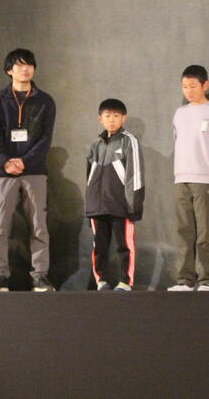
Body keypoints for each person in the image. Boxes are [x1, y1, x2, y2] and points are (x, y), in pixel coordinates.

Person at [0, 49, 56, 292]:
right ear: (9, 70)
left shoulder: (45, 101)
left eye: (29, 65)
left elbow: (45, 138)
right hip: (2, 172)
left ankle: (40, 276)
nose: (25, 69)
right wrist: (6, 161)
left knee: (38, 225)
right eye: (19, 65)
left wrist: (24, 161)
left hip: (34, 170)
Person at [168, 65, 209, 291]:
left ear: (205, 85)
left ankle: (206, 280)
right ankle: (184, 280)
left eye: (193, 86)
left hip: (207, 180)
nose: (188, 91)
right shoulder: (180, 113)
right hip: (181, 178)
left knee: (206, 232)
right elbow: (177, 141)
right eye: (184, 86)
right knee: (183, 231)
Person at [85, 98, 145, 291]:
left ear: (123, 118)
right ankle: (101, 280)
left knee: (124, 246)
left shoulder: (129, 141)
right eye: (107, 116)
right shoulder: (95, 145)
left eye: (116, 116)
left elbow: (135, 176)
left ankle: (125, 281)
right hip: (97, 206)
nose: (111, 120)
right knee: (99, 246)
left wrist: (133, 206)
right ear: (100, 119)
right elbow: (89, 177)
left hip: (121, 205)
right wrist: (90, 206)